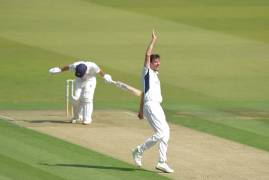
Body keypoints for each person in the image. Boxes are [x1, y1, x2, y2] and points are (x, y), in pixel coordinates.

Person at [132, 30, 174, 173]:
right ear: (150, 63)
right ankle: (138, 150)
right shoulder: (147, 72)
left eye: (158, 61)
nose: (158, 63)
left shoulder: (155, 75)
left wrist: (139, 110)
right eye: (155, 62)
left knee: (166, 132)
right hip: (151, 106)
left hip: (156, 106)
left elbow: (144, 93)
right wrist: (154, 40)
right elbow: (147, 55)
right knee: (161, 132)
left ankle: (162, 162)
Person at [49, 60, 113, 125]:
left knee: (87, 98)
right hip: (79, 81)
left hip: (90, 80)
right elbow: (68, 67)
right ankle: (77, 117)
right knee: (75, 98)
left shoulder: (93, 66)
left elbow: (99, 71)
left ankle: (87, 119)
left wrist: (105, 76)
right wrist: (59, 70)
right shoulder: (75, 65)